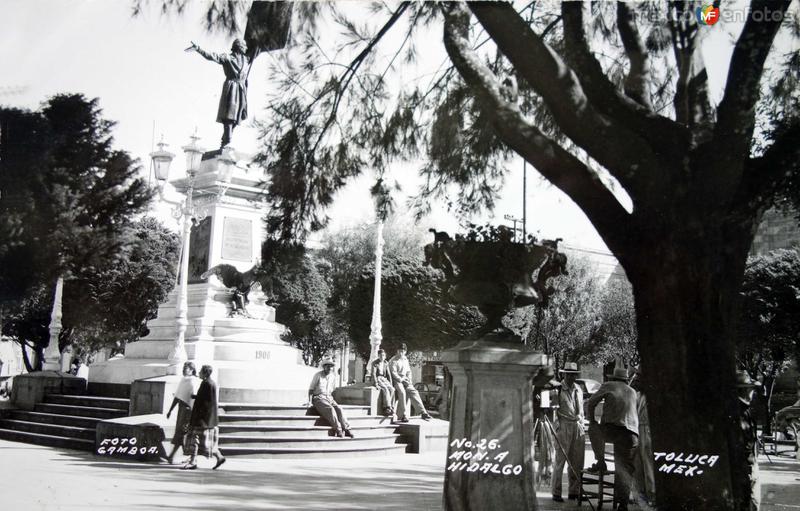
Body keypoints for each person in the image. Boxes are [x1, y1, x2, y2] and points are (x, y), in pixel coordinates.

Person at [587, 367, 639, 511]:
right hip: (632, 435)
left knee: (593, 429)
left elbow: (591, 403)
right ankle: (623, 504)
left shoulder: (608, 385)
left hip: (613, 430)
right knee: (625, 469)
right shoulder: (632, 392)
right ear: (626, 380)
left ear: (613, 378)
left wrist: (591, 420)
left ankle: (601, 460)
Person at [189, 39, 251, 148]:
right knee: (229, 117)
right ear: (239, 47)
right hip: (232, 88)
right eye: (244, 46)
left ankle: (225, 139)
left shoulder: (246, 60)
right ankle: (227, 141)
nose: (246, 48)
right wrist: (199, 49)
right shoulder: (227, 57)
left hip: (241, 90)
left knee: (238, 118)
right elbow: (212, 56)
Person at [551, 362, 585, 503]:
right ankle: (556, 492)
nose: (571, 377)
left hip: (577, 425)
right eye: (569, 374)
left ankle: (574, 491)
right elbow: (553, 410)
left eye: (573, 374)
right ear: (564, 374)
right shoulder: (557, 390)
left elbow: (581, 409)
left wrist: (582, 423)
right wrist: (557, 428)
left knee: (577, 461)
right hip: (564, 425)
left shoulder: (579, 389)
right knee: (560, 460)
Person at [184, 365, 226, 470]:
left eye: (201, 372)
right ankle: (219, 457)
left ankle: (193, 462)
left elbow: (203, 403)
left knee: (195, 439)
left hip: (202, 418)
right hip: (209, 419)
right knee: (207, 443)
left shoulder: (206, 384)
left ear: (205, 373)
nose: (199, 373)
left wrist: (196, 418)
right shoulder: (211, 383)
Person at [308, 357, 354, 438]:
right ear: (324, 366)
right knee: (330, 409)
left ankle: (347, 429)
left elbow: (332, 390)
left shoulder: (333, 376)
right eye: (327, 366)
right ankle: (338, 429)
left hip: (329, 397)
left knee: (339, 409)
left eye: (331, 366)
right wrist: (309, 401)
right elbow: (311, 390)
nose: (329, 368)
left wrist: (332, 399)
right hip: (319, 398)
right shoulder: (318, 375)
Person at [165, 362, 200, 464]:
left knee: (182, 433)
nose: (184, 369)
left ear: (192, 370)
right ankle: (175, 456)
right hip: (181, 409)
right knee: (180, 432)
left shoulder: (194, 381)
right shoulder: (183, 380)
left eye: (187, 368)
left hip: (188, 410)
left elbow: (194, 396)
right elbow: (178, 396)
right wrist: (170, 410)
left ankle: (186, 456)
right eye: (184, 368)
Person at [388, 343, 432, 422]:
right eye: (399, 351)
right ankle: (404, 414)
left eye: (403, 351)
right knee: (402, 392)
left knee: (413, 391)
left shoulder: (405, 360)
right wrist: (401, 379)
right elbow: (393, 373)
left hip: (405, 380)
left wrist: (409, 380)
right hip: (396, 381)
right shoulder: (393, 360)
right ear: (397, 351)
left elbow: (408, 371)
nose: (401, 353)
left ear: (405, 352)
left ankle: (423, 412)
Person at [736, 370, 761, 511]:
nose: (753, 392)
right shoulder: (741, 411)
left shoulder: (744, 409)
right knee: (752, 502)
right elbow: (744, 442)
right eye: (751, 389)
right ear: (745, 391)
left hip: (750, 463)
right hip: (747, 465)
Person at [630, 369, 655, 506]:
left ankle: (652, 494)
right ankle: (640, 494)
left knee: (649, 464)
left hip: (648, 430)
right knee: (637, 464)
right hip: (638, 429)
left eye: (639, 380)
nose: (636, 383)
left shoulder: (652, 396)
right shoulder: (636, 396)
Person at [370, 349, 394, 417]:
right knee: (385, 389)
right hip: (378, 378)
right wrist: (376, 383)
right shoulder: (375, 363)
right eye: (380, 355)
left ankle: (391, 407)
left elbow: (388, 374)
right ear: (378, 356)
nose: (382, 357)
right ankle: (386, 407)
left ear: (385, 356)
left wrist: (391, 383)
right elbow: (374, 374)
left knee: (392, 389)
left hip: (384, 379)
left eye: (383, 355)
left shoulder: (386, 363)